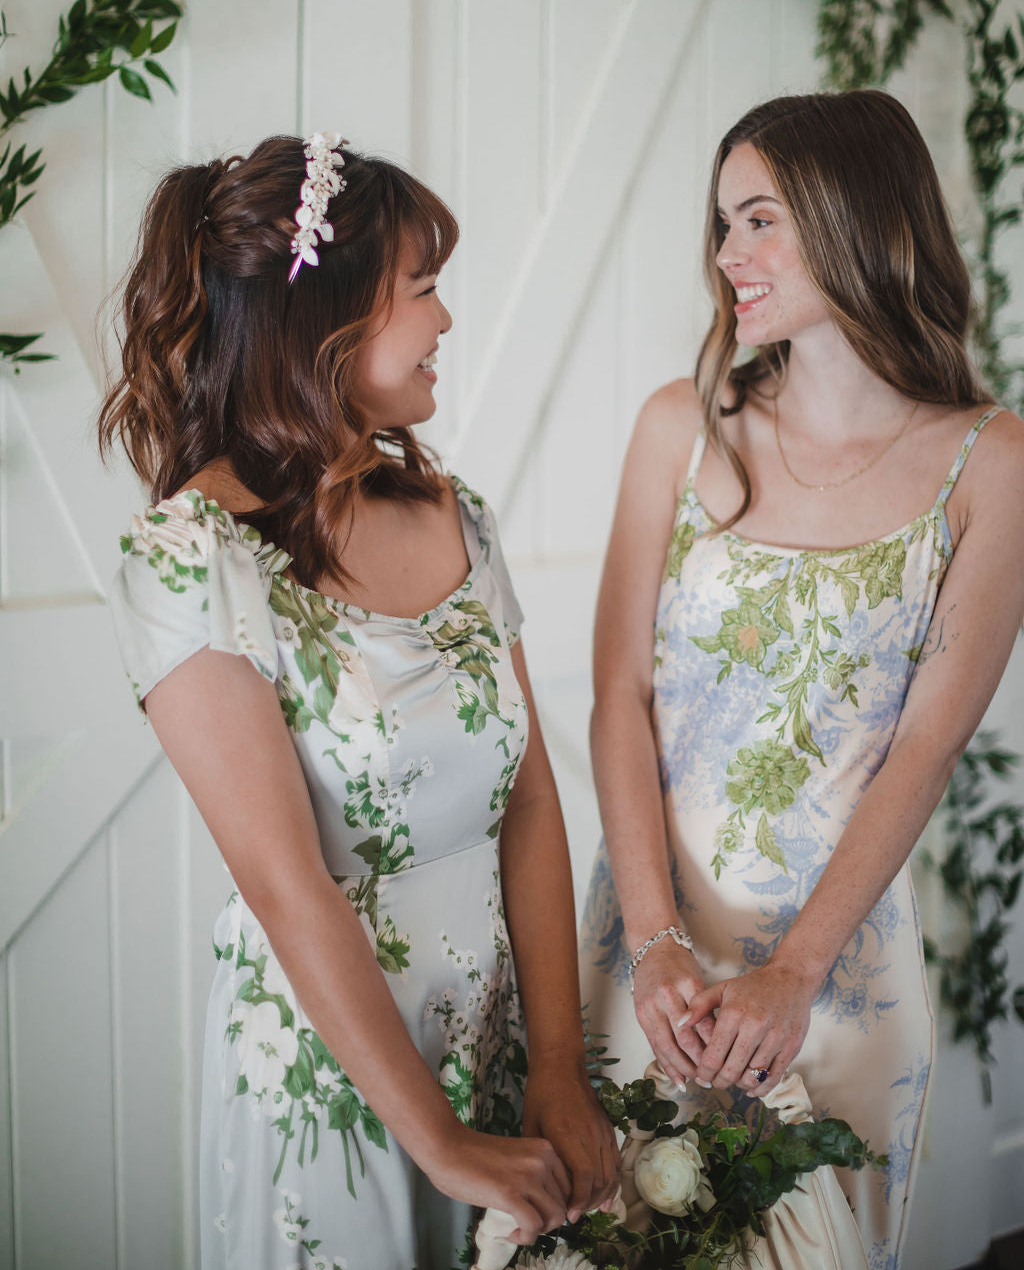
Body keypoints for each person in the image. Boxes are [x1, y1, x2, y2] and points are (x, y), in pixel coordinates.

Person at [100, 132, 617, 1270]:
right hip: (339, 1084)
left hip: (496, 1039)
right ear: (323, 321)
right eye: (423, 291)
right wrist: (439, 1142)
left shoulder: (451, 510)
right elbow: (285, 883)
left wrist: (557, 1069)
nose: (445, 321)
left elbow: (527, 796)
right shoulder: (189, 557)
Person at [579, 90, 1024, 1268]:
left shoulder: (993, 463)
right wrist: (655, 937)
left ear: (853, 219)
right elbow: (616, 694)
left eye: (758, 218)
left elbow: (926, 743)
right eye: (721, 224)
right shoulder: (680, 428)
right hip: (650, 951)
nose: (727, 256)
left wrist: (792, 971)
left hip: (836, 979)